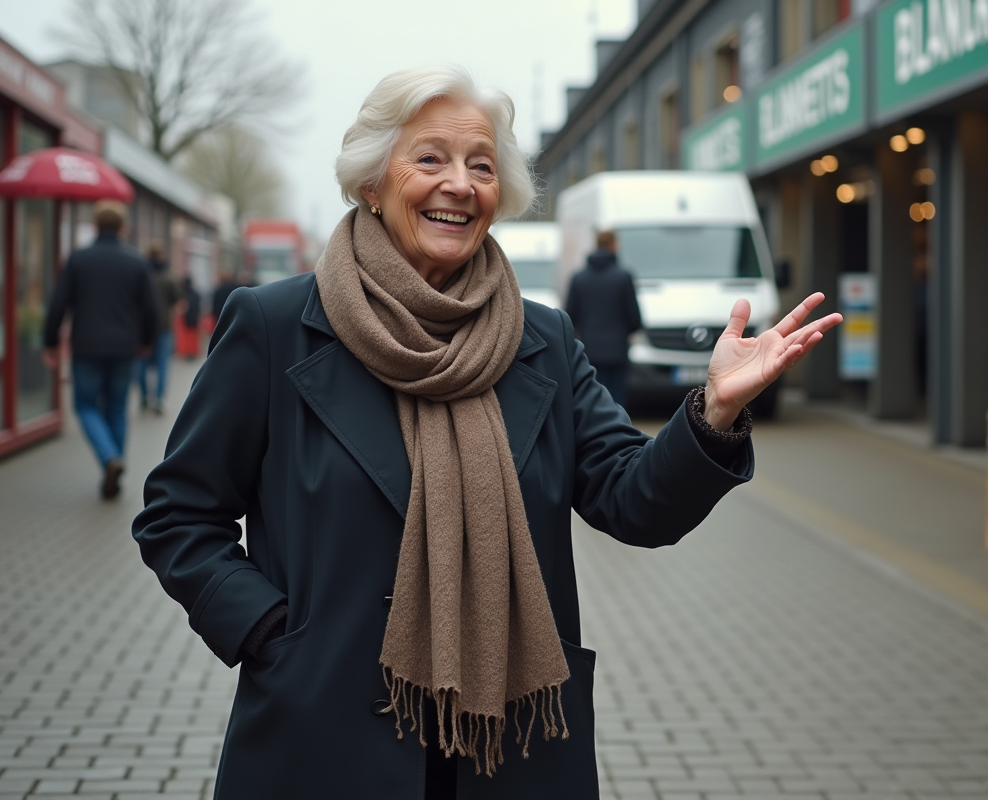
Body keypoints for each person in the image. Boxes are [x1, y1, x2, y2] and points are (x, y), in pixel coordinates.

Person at [132, 66, 841, 800]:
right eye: (430, 158)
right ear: (372, 182)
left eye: (482, 166)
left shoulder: (544, 339)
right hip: (322, 734)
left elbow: (635, 501)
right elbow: (179, 516)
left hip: (513, 749)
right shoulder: (275, 328)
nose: (460, 184)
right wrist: (274, 635)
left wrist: (714, 411)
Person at [43, 200, 157, 499]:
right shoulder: (136, 262)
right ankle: (115, 465)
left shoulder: (79, 260)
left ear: (95, 226)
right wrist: (146, 342)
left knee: (85, 406)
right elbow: (151, 309)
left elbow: (58, 304)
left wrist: (50, 342)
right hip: (124, 347)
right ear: (123, 227)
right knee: (118, 407)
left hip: (87, 347)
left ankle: (109, 459)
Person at [564, 229, 642, 407]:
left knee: (594, 399)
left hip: (589, 350)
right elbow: (634, 319)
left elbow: (570, 317)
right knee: (616, 402)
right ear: (613, 245)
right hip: (617, 351)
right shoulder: (623, 277)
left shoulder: (579, 278)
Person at [137, 241, 180, 415]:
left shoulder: (141, 276)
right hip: (163, 326)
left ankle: (144, 397)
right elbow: (177, 301)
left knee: (141, 363)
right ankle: (160, 399)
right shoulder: (168, 277)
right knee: (162, 363)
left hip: (142, 326)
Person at [175, 275, 202, 359]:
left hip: (185, 318)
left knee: (186, 337)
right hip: (194, 318)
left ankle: (187, 352)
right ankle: (193, 353)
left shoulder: (183, 294)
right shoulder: (196, 294)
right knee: (193, 337)